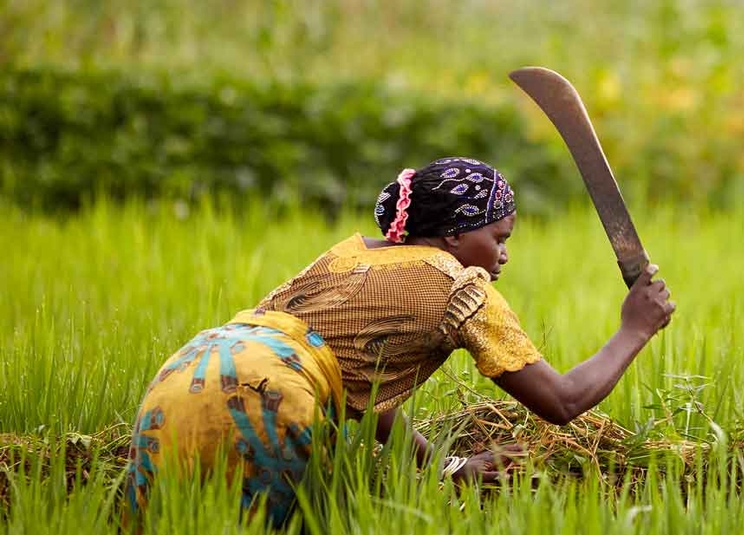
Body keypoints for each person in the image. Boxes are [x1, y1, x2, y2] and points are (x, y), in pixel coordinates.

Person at [123, 157, 675, 525]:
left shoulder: (350, 254)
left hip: (188, 371)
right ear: (456, 232)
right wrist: (635, 329)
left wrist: (442, 465)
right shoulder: (461, 286)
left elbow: (359, 389)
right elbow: (563, 401)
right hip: (270, 396)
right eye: (498, 238)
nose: (503, 254)